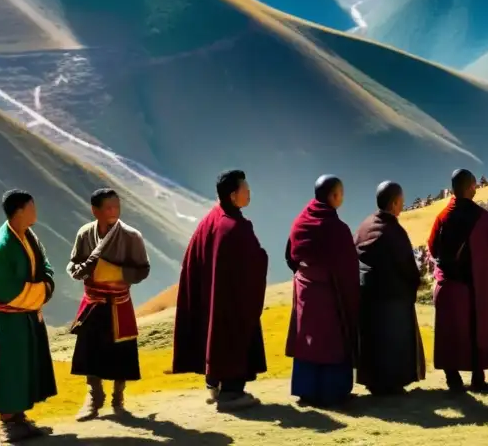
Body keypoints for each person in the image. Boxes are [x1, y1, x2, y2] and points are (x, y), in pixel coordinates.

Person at [172, 170, 268, 411]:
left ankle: (214, 384)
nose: (250, 193)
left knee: (212, 333)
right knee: (232, 335)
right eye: (246, 189)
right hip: (231, 301)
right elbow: (251, 264)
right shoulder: (235, 227)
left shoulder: (212, 219)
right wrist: (262, 257)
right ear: (234, 196)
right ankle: (231, 393)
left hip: (212, 297)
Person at [428, 168, 488, 393]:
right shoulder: (482, 218)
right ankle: (478, 377)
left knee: (449, 333)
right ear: (469, 188)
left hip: (447, 284)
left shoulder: (442, 216)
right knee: (476, 330)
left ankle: (452, 379)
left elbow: (432, 247)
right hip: (474, 286)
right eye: (475, 185)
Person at [68, 188, 151, 420]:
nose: (114, 211)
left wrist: (116, 272)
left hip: (118, 302)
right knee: (89, 351)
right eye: (108, 207)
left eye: (117, 206)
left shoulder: (131, 236)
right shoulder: (85, 234)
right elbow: (73, 263)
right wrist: (80, 270)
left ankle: (118, 398)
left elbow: (143, 269)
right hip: (93, 302)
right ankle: (94, 397)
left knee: (121, 353)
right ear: (95, 210)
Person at [0, 190, 57, 444]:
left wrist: (45, 284)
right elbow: (3, 288)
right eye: (31, 206)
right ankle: (7, 423)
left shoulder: (29, 237)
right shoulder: (1, 246)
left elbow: (45, 266)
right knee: (9, 368)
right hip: (9, 320)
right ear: (19, 211)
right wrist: (42, 291)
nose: (35, 211)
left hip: (26, 315)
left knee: (24, 366)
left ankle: (20, 418)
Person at [285, 175, 360, 406]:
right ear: (334, 196)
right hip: (329, 292)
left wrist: (304, 275)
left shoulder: (300, 221)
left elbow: (290, 256)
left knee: (307, 339)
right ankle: (332, 392)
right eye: (341, 193)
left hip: (305, 287)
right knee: (331, 339)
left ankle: (305, 390)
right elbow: (348, 266)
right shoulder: (336, 228)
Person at [354, 181, 426, 396]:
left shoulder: (364, 225)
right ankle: (392, 383)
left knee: (372, 340)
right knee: (393, 341)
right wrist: (413, 284)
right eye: (401, 202)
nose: (402, 206)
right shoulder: (394, 231)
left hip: (366, 295)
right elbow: (407, 266)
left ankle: (372, 380)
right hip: (392, 297)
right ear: (394, 203)